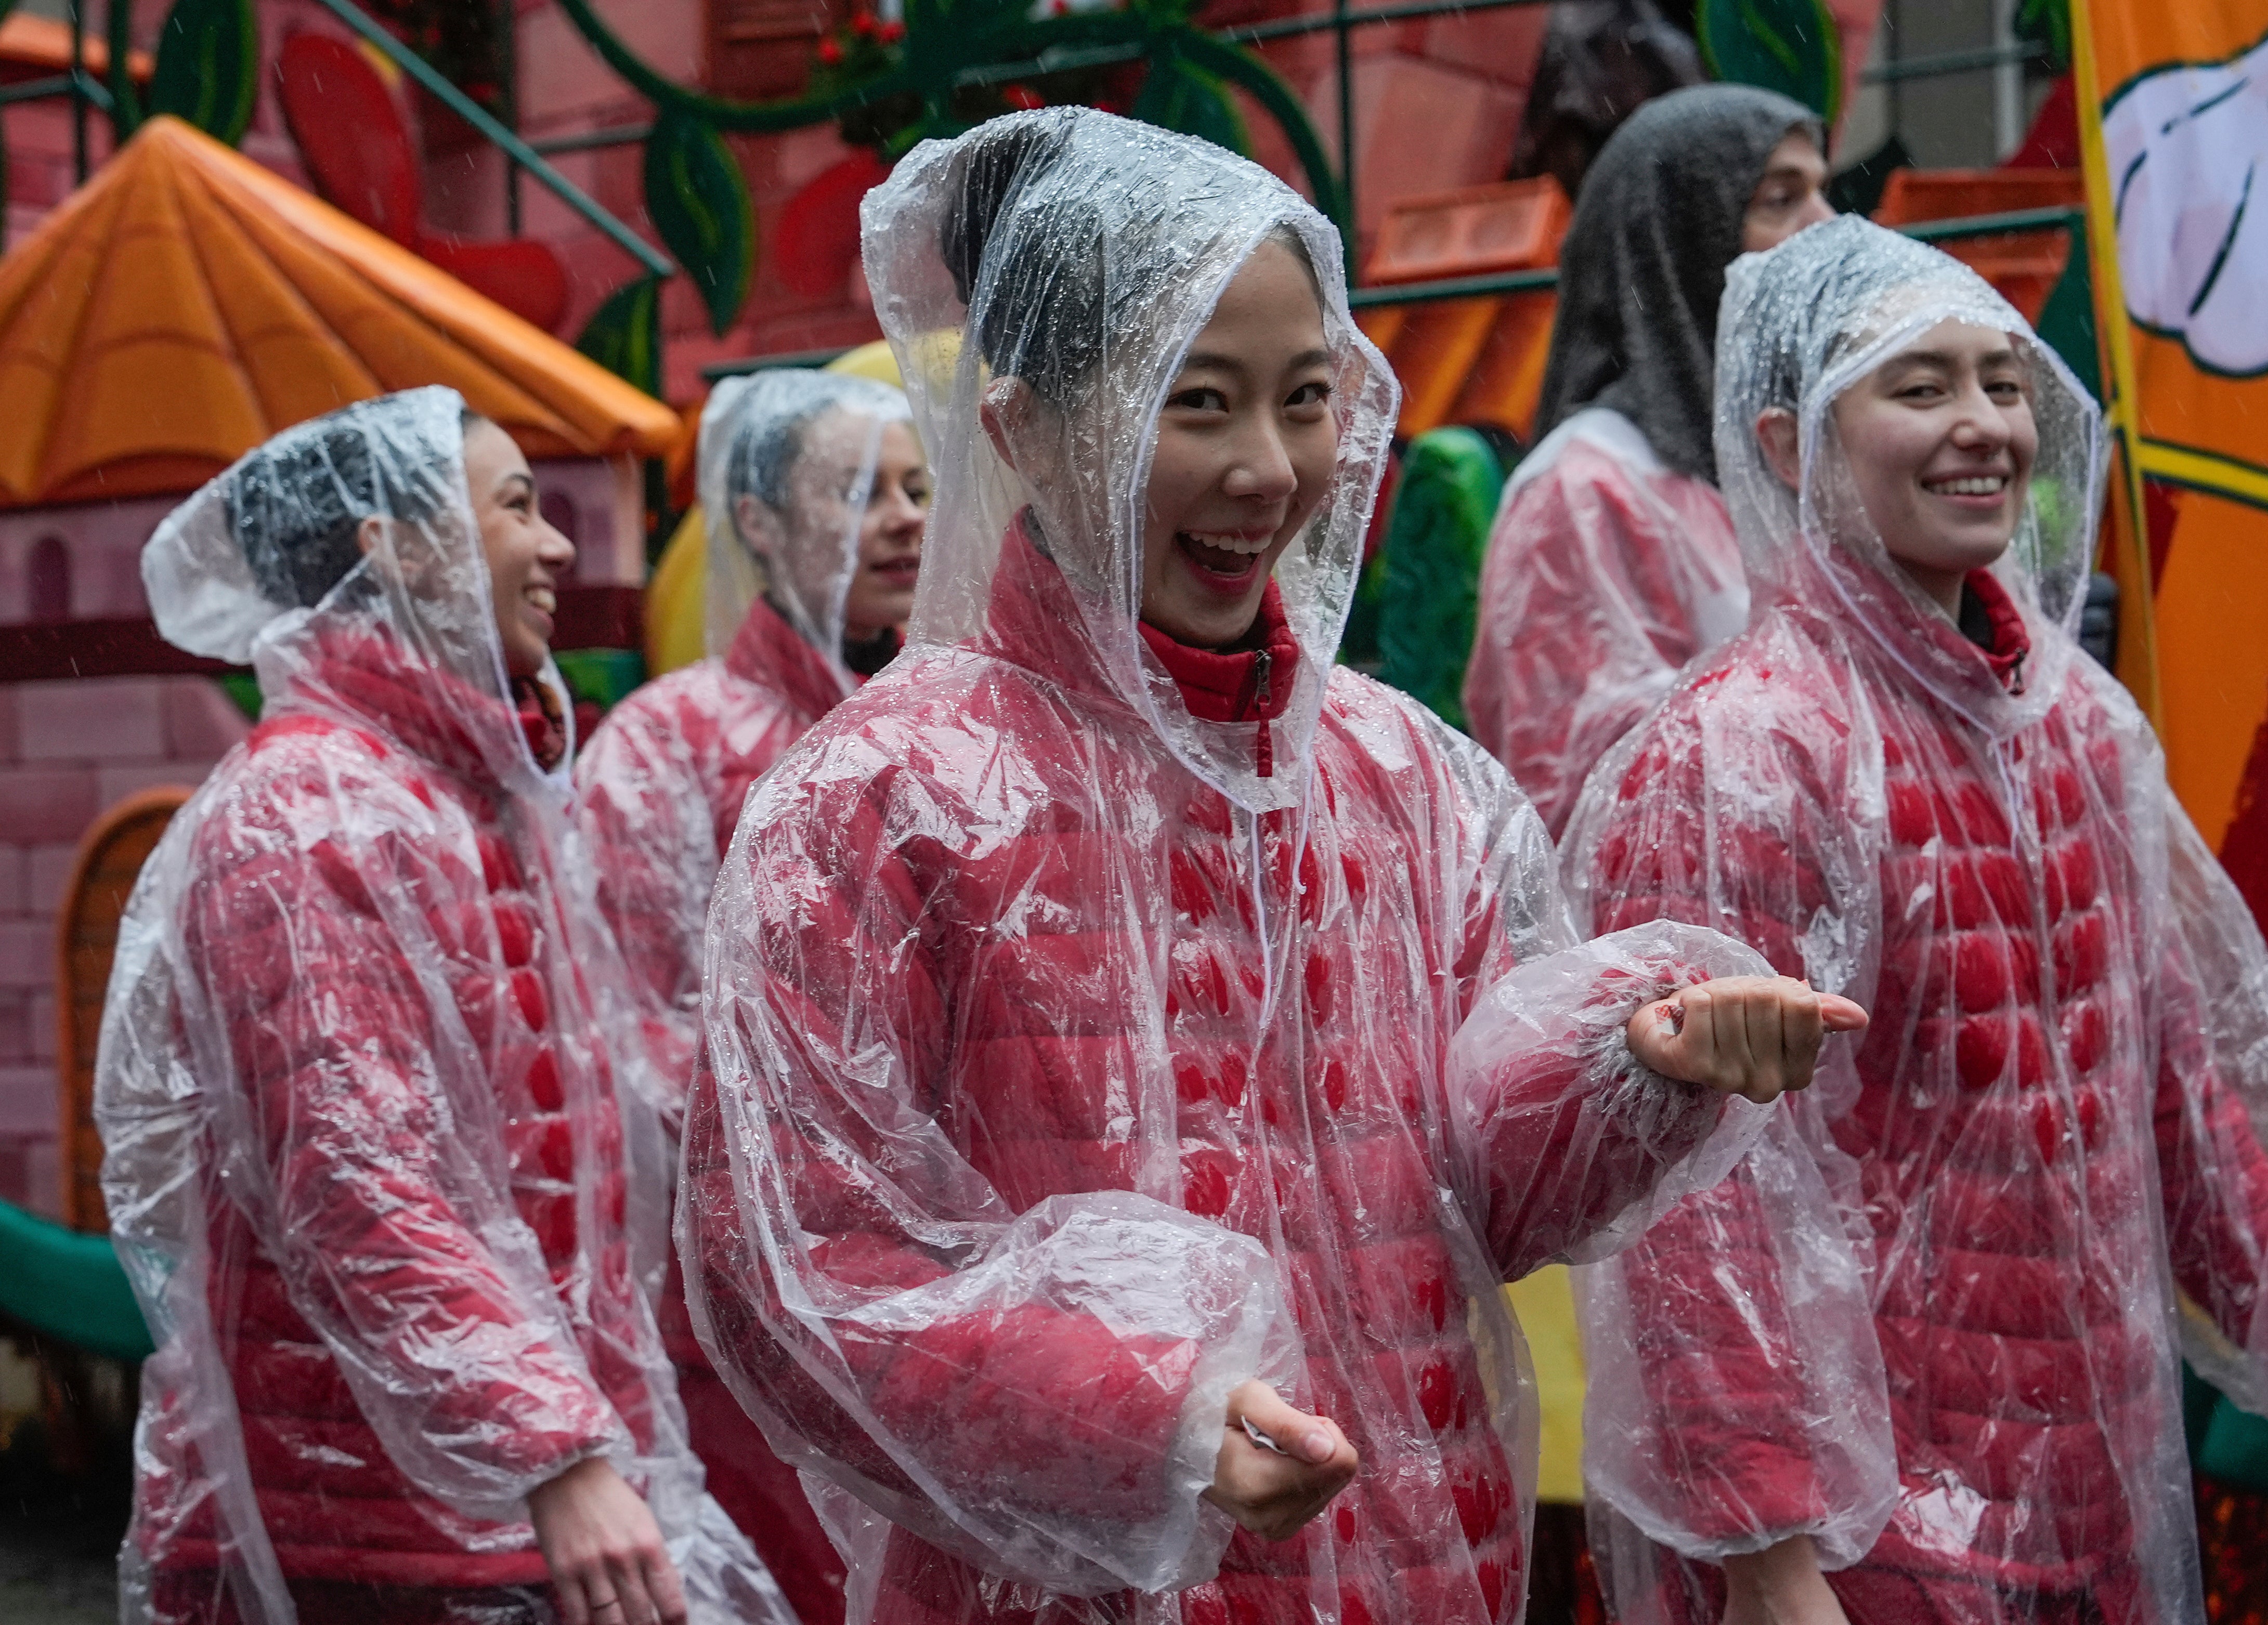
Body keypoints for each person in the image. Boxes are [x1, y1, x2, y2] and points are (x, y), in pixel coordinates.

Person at [676, 108, 1865, 1625]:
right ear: (1023, 429)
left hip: (1426, 1565)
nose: (1266, 468)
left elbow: (1464, 1188)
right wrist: (1147, 1415)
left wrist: (1633, 1060)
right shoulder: (874, 801)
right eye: (1194, 401)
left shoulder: (1403, 772)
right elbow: (801, 1269)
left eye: (1304, 400)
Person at [1559, 216, 2268, 1624]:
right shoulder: (1738, 762)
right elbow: (1694, 1209)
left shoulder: (2074, 726)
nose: (1981, 427)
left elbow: (2172, 1085)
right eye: (1917, 386)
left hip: (2090, 1484)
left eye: (2002, 381)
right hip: (1866, 1532)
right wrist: (1773, 1557)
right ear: (1788, 445)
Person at [95, 390, 794, 1625]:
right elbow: (354, 1178)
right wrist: (557, 1452)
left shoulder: (473, 791)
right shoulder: (309, 814)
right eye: (516, 506)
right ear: (396, 543)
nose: (561, 545)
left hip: (493, 1509)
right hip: (374, 1534)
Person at [577, 372, 927, 1625]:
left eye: (917, 489)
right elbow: (637, 1038)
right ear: (759, 524)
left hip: (926, 1321)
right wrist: (821, 1208)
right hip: (736, 1322)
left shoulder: (941, 740)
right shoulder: (666, 747)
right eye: (856, 490)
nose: (900, 521)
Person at [1465, 84, 1832, 839]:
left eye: (1821, 192)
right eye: (1779, 198)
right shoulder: (1586, 493)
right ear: (1679, 241)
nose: (1826, 227)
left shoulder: (1789, 454)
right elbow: (1581, 803)